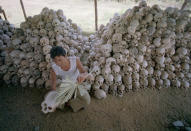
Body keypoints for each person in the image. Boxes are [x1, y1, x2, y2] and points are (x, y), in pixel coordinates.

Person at [49, 46, 91, 112]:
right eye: (55, 61)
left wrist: (83, 76)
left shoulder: (75, 60)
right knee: (56, 103)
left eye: (60, 60)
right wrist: (53, 96)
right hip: (65, 86)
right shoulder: (54, 67)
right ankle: (66, 101)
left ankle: (70, 101)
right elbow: (53, 82)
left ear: (65, 56)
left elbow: (84, 72)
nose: (58, 63)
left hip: (76, 84)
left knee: (87, 100)